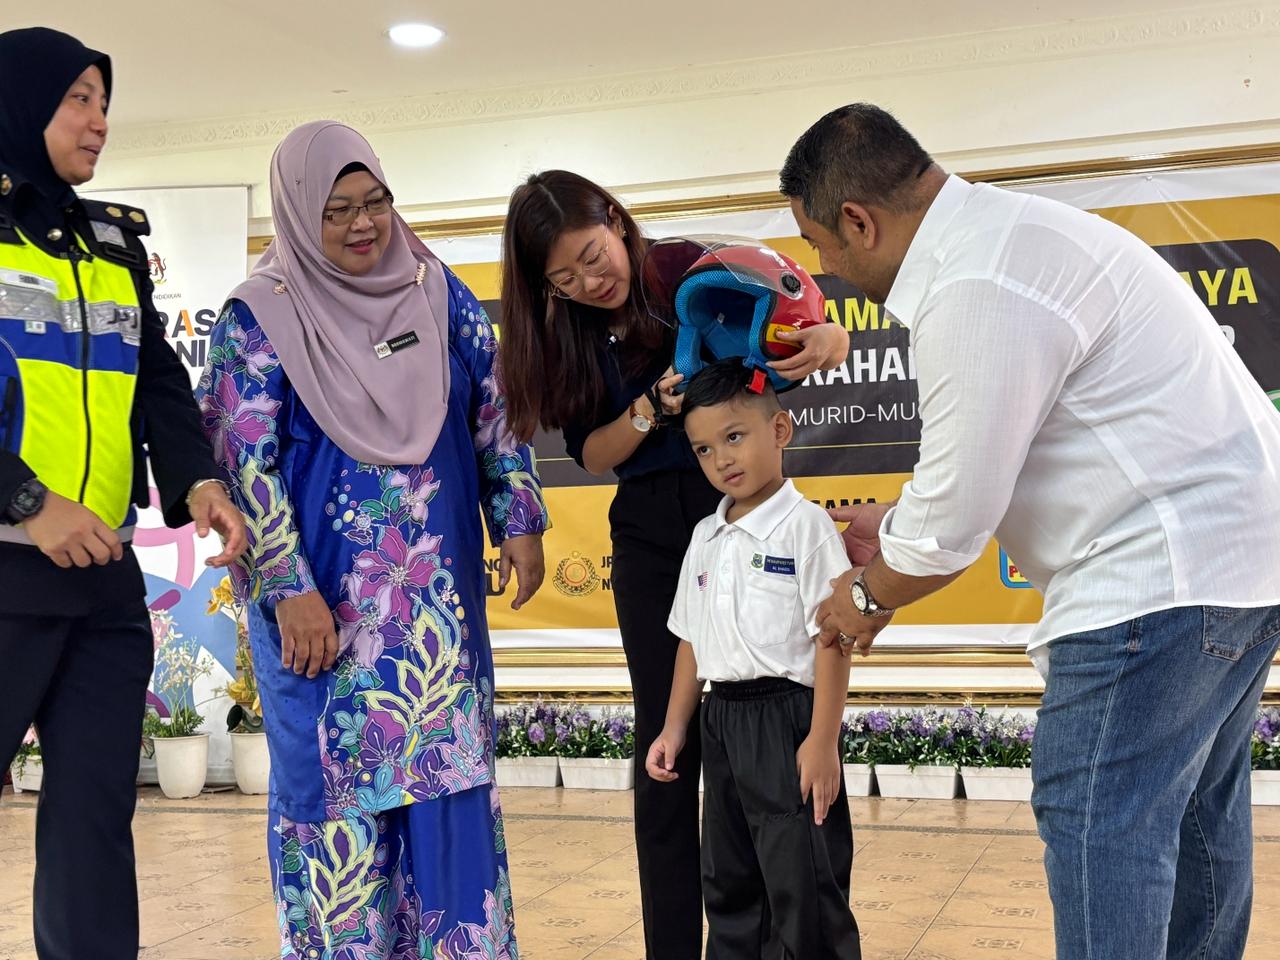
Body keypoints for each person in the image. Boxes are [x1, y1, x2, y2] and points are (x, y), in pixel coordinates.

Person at [784, 103, 1280, 959]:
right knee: (1196, 816)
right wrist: (896, 527)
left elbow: (954, 520)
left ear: (858, 221)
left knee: (1098, 819)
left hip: (1155, 582)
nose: (825, 269)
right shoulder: (1013, 237)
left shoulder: (976, 284)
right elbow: (1010, 460)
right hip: (1232, 568)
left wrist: (863, 596)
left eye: (819, 245)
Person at [199, 120, 547, 958]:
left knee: (450, 801)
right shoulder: (258, 318)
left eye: (377, 202)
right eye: (338, 210)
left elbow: (495, 403)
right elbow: (244, 464)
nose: (364, 224)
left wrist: (519, 513)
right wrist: (289, 591)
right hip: (322, 623)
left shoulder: (436, 291)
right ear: (297, 214)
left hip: (436, 627)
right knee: (337, 825)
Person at [498, 170, 851, 958]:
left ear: (615, 221)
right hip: (655, 540)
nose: (589, 283)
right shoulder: (564, 335)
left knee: (773, 734)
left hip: (745, 514)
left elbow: (806, 323)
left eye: (593, 257)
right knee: (666, 744)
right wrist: (648, 409)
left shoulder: (688, 270)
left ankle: (784, 936)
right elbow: (593, 454)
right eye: (564, 278)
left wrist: (830, 340)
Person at [0, 27, 247, 960]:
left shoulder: (111, 242)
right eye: (78, 99)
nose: (99, 121)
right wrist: (27, 502)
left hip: (102, 580)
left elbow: (157, 384)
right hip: (6, 566)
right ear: (22, 102)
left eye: (105, 102)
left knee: (95, 814)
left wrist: (197, 480)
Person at [646, 358, 861, 959]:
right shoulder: (704, 537)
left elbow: (833, 640)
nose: (722, 459)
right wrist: (675, 727)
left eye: (735, 437)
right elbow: (691, 641)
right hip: (722, 722)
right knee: (730, 879)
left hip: (788, 722)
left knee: (803, 882)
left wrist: (823, 740)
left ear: (780, 430)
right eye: (704, 449)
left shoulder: (806, 528)